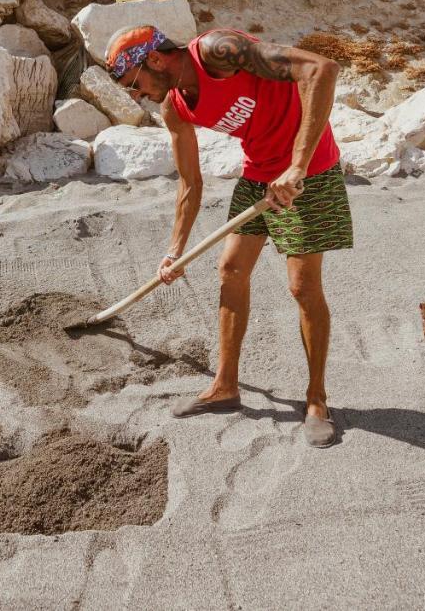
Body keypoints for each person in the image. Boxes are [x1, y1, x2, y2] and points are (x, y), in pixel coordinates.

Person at [104, 24, 351, 447]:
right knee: (230, 269)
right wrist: (174, 251)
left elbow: (322, 70)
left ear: (156, 59)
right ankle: (225, 386)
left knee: (301, 286)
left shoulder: (220, 52)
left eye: (135, 83)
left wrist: (297, 165)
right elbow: (189, 184)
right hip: (258, 176)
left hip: (309, 172)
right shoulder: (176, 109)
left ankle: (316, 400)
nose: (137, 95)